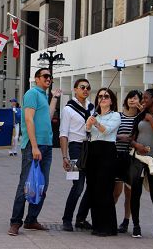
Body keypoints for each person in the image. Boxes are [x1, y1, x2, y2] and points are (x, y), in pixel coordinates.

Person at [8, 68, 61, 236]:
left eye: (50, 77)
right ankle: (15, 222)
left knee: (41, 185)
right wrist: (35, 146)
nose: (48, 79)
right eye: (45, 76)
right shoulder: (32, 94)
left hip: (46, 146)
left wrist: (55, 98)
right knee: (26, 184)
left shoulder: (43, 96)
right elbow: (29, 119)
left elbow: (47, 116)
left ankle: (31, 220)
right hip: (34, 146)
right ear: (36, 79)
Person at [129, 88, 153, 241]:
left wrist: (151, 119)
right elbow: (131, 138)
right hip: (138, 159)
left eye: (145, 98)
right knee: (135, 193)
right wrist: (137, 145)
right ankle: (136, 226)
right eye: (142, 98)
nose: (143, 100)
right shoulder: (139, 116)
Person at [85, 88, 120, 237]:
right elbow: (86, 131)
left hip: (107, 152)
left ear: (111, 100)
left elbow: (107, 131)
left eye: (106, 96)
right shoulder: (94, 115)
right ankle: (97, 225)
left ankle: (108, 226)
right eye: (100, 96)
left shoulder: (116, 115)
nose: (103, 98)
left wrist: (96, 123)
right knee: (93, 188)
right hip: (93, 150)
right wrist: (89, 123)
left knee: (105, 189)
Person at [59, 79, 93, 232]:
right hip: (75, 148)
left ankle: (81, 218)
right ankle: (67, 219)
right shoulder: (68, 109)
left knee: (91, 186)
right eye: (82, 87)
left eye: (88, 88)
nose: (85, 90)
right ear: (75, 90)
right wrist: (64, 156)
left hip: (91, 147)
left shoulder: (93, 108)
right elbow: (63, 134)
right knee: (77, 186)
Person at [114, 90, 142, 234]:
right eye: (130, 98)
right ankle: (110, 218)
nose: (132, 100)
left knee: (129, 193)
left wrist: (132, 140)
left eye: (135, 98)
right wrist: (121, 137)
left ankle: (126, 221)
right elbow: (111, 132)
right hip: (118, 156)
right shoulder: (118, 116)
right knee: (116, 191)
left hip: (133, 159)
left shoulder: (141, 118)